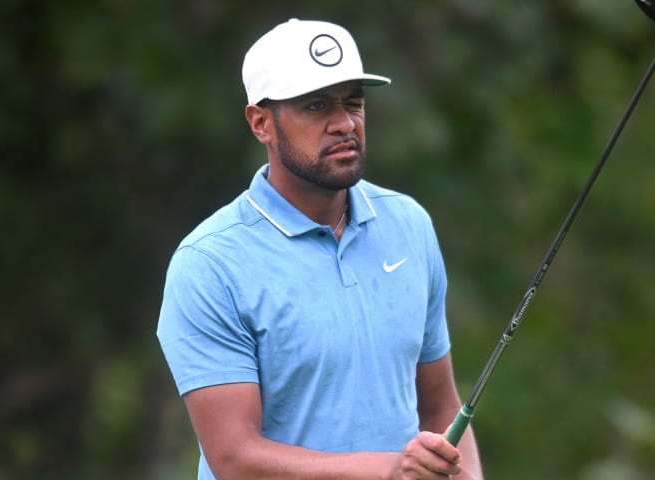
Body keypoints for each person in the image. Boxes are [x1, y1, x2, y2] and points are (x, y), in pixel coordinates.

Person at [157, 18, 483, 480]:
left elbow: (439, 407)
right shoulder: (210, 264)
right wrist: (388, 469)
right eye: (316, 106)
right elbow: (235, 459)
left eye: (354, 102)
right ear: (261, 123)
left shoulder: (409, 225)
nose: (344, 123)